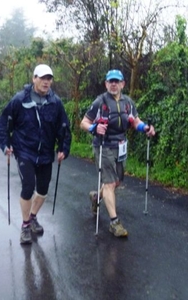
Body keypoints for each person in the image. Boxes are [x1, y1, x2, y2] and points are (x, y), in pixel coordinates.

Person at [0, 64, 71, 245]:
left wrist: (63, 148)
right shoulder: (20, 99)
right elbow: (3, 125)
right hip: (24, 151)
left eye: (49, 79)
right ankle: (25, 226)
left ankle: (33, 216)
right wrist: (5, 145)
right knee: (28, 186)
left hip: (45, 152)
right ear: (34, 78)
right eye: (43, 78)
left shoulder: (56, 102)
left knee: (43, 190)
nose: (46, 82)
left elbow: (64, 128)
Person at [80, 69, 155, 237]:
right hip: (104, 145)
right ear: (106, 84)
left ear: (122, 84)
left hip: (121, 145)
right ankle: (114, 222)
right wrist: (94, 127)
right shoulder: (100, 102)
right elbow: (84, 122)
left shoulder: (128, 102)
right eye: (110, 81)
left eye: (117, 81)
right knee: (109, 183)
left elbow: (135, 120)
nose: (113, 84)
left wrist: (145, 128)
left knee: (116, 182)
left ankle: (96, 197)